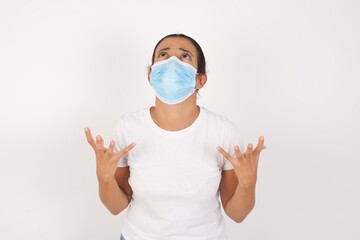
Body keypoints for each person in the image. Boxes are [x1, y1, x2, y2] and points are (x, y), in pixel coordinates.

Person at [85, 33, 266, 240]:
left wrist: (247, 185)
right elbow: (116, 207)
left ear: (200, 79)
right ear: (150, 75)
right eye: (163, 54)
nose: (172, 61)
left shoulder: (222, 131)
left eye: (185, 56)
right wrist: (105, 179)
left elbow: (237, 214)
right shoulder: (128, 127)